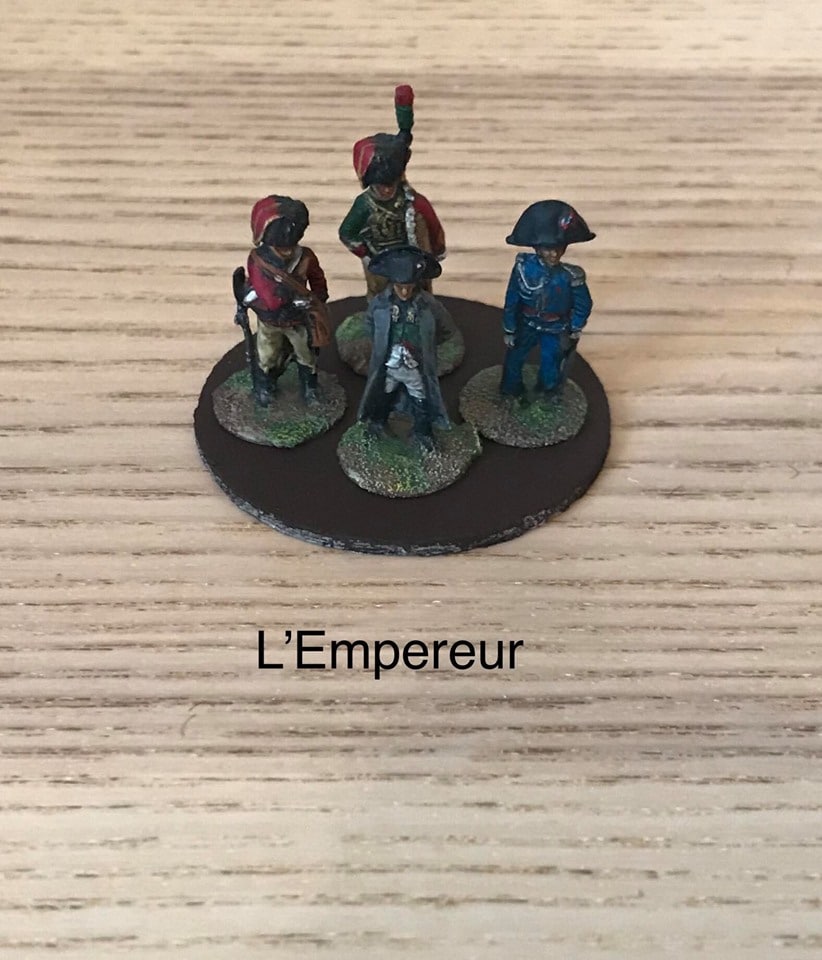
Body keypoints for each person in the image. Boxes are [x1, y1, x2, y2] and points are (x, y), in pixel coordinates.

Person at [339, 85, 446, 300]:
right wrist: (366, 254)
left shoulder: (413, 202)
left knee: (420, 295)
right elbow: (347, 232)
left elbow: (432, 225)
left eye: (391, 184)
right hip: (379, 258)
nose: (387, 189)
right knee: (379, 297)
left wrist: (435, 250)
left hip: (412, 258)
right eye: (381, 186)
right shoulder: (365, 204)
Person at [357, 247, 453, 451]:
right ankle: (377, 424)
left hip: (415, 364)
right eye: (400, 287)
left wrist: (427, 346)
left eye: (409, 287)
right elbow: (369, 324)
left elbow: (446, 329)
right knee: (383, 394)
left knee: (421, 398)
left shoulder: (429, 306)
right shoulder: (380, 304)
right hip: (389, 362)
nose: (404, 292)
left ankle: (423, 433)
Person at [500, 200, 595, 402]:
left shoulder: (571, 276)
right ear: (537, 248)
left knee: (551, 363)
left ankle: (546, 394)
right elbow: (512, 299)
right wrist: (509, 328)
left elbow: (583, 304)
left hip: (555, 327)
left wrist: (575, 326)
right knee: (514, 358)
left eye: (559, 248)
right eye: (548, 248)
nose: (554, 254)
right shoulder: (523, 268)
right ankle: (510, 390)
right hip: (526, 323)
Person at [243, 195, 331, 404]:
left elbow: (317, 280)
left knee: (306, 356)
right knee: (267, 356)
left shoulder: (305, 257)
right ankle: (266, 387)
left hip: (298, 319)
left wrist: (317, 299)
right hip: (269, 320)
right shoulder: (258, 260)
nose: (287, 250)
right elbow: (268, 297)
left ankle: (310, 389)